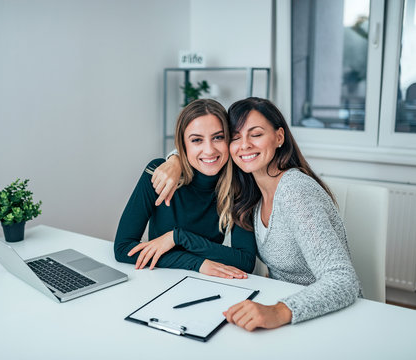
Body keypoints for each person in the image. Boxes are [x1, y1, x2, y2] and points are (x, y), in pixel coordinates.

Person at [151, 97, 361, 329]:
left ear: (279, 137)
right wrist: (176, 158)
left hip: (329, 318)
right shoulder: (252, 192)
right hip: (292, 315)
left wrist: (280, 310)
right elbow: (206, 145)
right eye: (235, 137)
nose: (244, 145)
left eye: (256, 134)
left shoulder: (294, 190)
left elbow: (344, 281)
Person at [114, 99, 257, 279]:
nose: (209, 150)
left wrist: (178, 237)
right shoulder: (159, 174)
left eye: (218, 137)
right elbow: (122, 248)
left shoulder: (240, 184)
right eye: (197, 140)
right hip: (156, 279)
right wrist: (196, 263)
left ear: (228, 139)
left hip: (206, 284)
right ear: (183, 145)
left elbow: (246, 261)